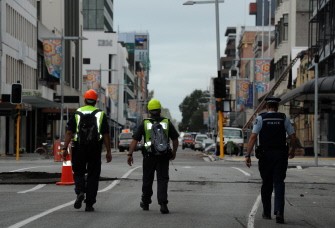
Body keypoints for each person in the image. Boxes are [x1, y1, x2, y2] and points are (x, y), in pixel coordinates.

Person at [245, 96, 297, 224]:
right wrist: (292, 150)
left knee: (266, 183)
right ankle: (279, 212)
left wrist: (248, 155)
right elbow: (293, 136)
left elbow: (253, 137)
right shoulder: (284, 118)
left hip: (265, 156)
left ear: (267, 106)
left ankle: (267, 212)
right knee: (279, 182)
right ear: (277, 106)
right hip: (280, 156)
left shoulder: (260, 118)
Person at [62, 89, 112, 212]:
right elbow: (106, 134)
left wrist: (65, 148)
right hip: (95, 148)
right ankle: (89, 204)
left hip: (79, 147)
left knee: (78, 172)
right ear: (95, 102)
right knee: (93, 175)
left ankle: (79, 191)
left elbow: (69, 132)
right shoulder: (101, 114)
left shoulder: (77, 113)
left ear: (84, 100)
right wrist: (109, 152)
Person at [127, 99, 179, 214]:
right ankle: (163, 203)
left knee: (147, 179)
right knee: (162, 180)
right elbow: (175, 139)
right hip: (163, 156)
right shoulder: (166, 122)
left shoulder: (145, 123)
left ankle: (145, 202)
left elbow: (135, 140)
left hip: (149, 156)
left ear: (149, 111)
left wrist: (130, 154)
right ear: (160, 110)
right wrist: (174, 152)